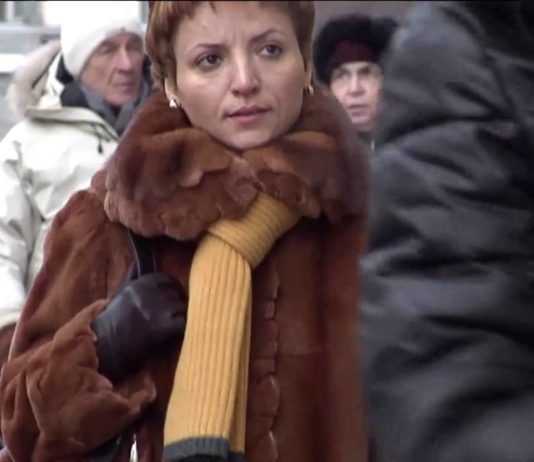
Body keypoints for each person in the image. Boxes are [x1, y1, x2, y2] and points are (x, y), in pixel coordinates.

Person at [0, 2, 369, 461]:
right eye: (210, 60)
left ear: (306, 63)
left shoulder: (367, 217)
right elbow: (21, 430)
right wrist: (104, 347)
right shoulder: (109, 221)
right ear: (171, 83)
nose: (244, 81)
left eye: (270, 50)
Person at [361, 1, 534, 461]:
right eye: (343, 75)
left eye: (364, 73)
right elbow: (443, 366)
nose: (243, 82)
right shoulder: (471, 47)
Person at [0, 9, 151, 368]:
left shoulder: (168, 130)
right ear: (77, 61)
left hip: (156, 343)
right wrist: (10, 339)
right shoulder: (25, 144)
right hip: (55, 355)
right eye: (107, 50)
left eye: (134, 47)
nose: (126, 64)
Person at [313, 14, 398, 152]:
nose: (354, 89)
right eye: (342, 76)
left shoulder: (419, 150)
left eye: (366, 74)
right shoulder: (310, 155)